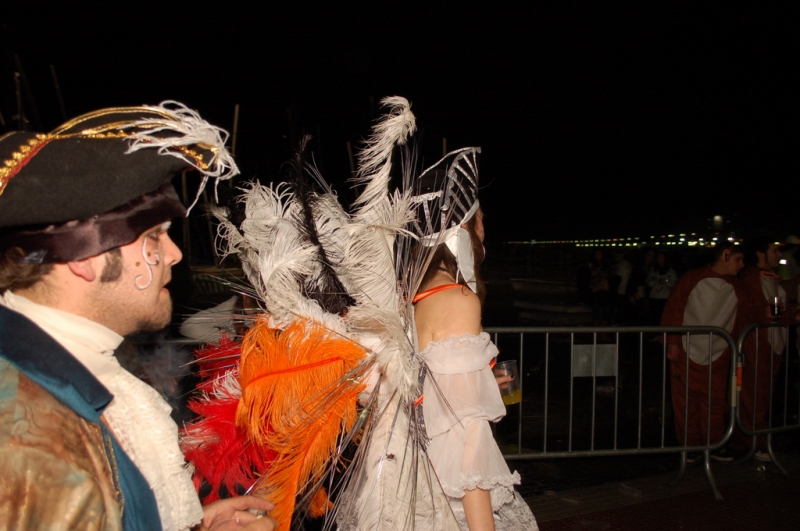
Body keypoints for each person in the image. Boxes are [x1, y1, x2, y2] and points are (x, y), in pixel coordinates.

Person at [0, 103, 275, 530]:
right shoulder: (25, 425)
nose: (175, 254)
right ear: (84, 258)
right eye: (153, 237)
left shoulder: (65, 370)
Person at [411, 155, 538, 531]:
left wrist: (479, 383)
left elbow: (424, 387)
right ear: (462, 230)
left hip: (415, 465)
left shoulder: (414, 294)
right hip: (449, 481)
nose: (483, 229)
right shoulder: (458, 300)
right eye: (478, 220)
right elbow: (468, 436)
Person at [660, 244, 747, 462]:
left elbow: (751, 314)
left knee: (715, 402)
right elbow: (674, 309)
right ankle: (691, 446)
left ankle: (714, 444)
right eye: (738, 259)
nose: (742, 265)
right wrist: (672, 342)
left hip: (719, 353)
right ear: (725, 256)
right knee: (686, 403)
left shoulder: (737, 286)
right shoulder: (692, 278)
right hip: (687, 352)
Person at [736, 235, 799, 461]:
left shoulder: (769, 277)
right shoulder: (752, 278)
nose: (779, 255)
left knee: (761, 397)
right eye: (774, 251)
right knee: (753, 395)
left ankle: (757, 440)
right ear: (760, 254)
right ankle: (754, 442)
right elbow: (757, 310)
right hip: (757, 345)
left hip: (771, 345)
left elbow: (780, 302)